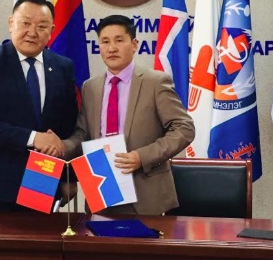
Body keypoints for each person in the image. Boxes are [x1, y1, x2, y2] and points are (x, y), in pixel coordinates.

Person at [62, 14, 195, 215]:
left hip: (146, 194)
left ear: (134, 44)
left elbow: (184, 128)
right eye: (105, 41)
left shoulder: (155, 82)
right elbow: (82, 134)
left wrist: (142, 157)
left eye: (119, 40)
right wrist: (62, 147)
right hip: (102, 190)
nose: (111, 48)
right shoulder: (90, 87)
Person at [0, 0, 77, 211]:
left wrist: (68, 177)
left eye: (41, 26)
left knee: (42, 234)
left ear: (52, 30)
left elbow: (68, 127)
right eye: (25, 23)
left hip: (44, 180)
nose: (32, 32)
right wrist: (34, 138)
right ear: (11, 23)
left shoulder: (63, 67)